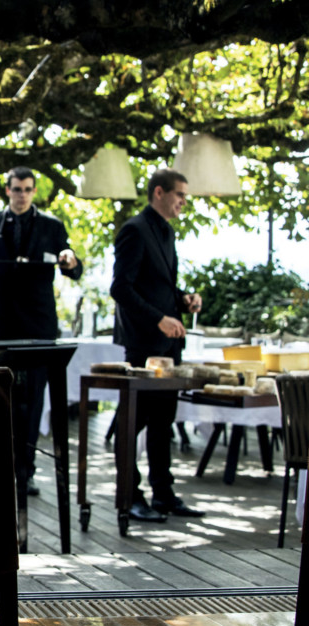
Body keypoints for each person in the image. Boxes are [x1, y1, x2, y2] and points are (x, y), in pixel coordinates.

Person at [0, 166, 83, 498]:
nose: (22, 195)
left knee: (33, 400)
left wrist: (70, 260)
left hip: (38, 325)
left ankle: (26, 471)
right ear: (8, 190)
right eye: (17, 189)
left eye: (28, 189)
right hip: (0, 324)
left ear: (34, 191)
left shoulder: (52, 225)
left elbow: (73, 266)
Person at [110, 168, 205, 522]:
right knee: (132, 422)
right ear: (159, 192)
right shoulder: (134, 229)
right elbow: (121, 288)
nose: (183, 202)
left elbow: (159, 287)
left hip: (168, 346)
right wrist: (158, 319)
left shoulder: (166, 232)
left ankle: (163, 494)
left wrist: (183, 301)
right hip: (143, 345)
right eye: (180, 194)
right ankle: (130, 496)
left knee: (164, 421)